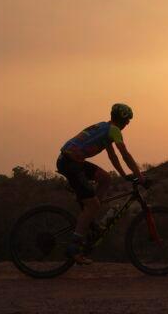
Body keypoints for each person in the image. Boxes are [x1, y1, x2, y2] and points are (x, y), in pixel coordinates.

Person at [56, 103, 145, 264]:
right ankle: (74, 249)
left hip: (71, 160)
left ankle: (90, 218)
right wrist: (140, 176)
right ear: (123, 120)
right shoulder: (114, 130)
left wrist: (125, 175)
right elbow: (124, 154)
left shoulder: (105, 128)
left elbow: (113, 157)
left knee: (105, 178)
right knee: (93, 206)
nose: (128, 124)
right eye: (128, 120)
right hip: (71, 163)